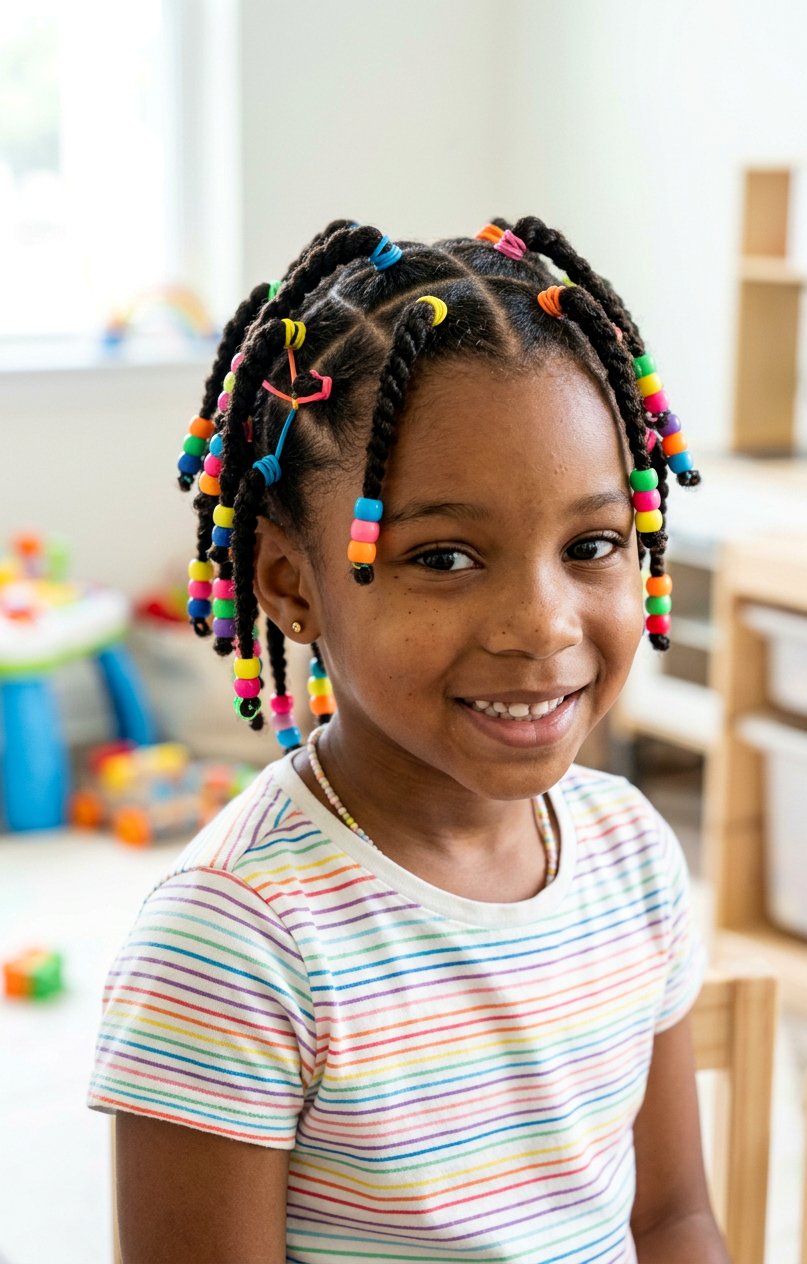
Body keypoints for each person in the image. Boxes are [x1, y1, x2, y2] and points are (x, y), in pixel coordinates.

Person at [88, 217, 728, 1263]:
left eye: (592, 544)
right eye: (443, 555)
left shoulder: (631, 853)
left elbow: (667, 1218)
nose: (542, 624)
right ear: (292, 584)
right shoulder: (237, 943)